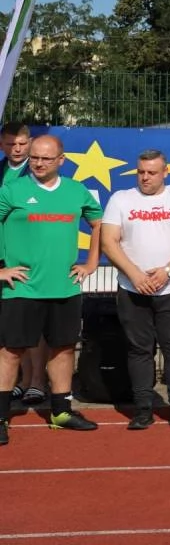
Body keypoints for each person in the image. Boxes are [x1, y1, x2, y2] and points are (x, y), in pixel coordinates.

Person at [0, 135, 103, 445]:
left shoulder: (76, 191)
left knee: (63, 347)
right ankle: (1, 417)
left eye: (46, 158)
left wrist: (92, 263)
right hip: (21, 288)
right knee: (10, 352)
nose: (39, 163)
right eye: (34, 157)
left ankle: (60, 412)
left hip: (64, 287)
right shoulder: (12, 190)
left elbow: (98, 222)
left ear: (61, 160)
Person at [100, 150, 170, 430]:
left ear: (165, 172)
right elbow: (109, 242)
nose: (145, 177)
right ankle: (143, 409)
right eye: (141, 172)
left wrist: (167, 271)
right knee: (138, 350)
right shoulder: (121, 199)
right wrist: (134, 274)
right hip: (131, 289)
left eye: (152, 173)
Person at [0, 122, 47, 408]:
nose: (16, 149)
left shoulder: (40, 171)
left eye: (21, 143)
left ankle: (36, 382)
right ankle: (17, 381)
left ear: (30, 143)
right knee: (11, 326)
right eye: (10, 144)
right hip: (5, 256)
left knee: (33, 323)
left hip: (30, 256)